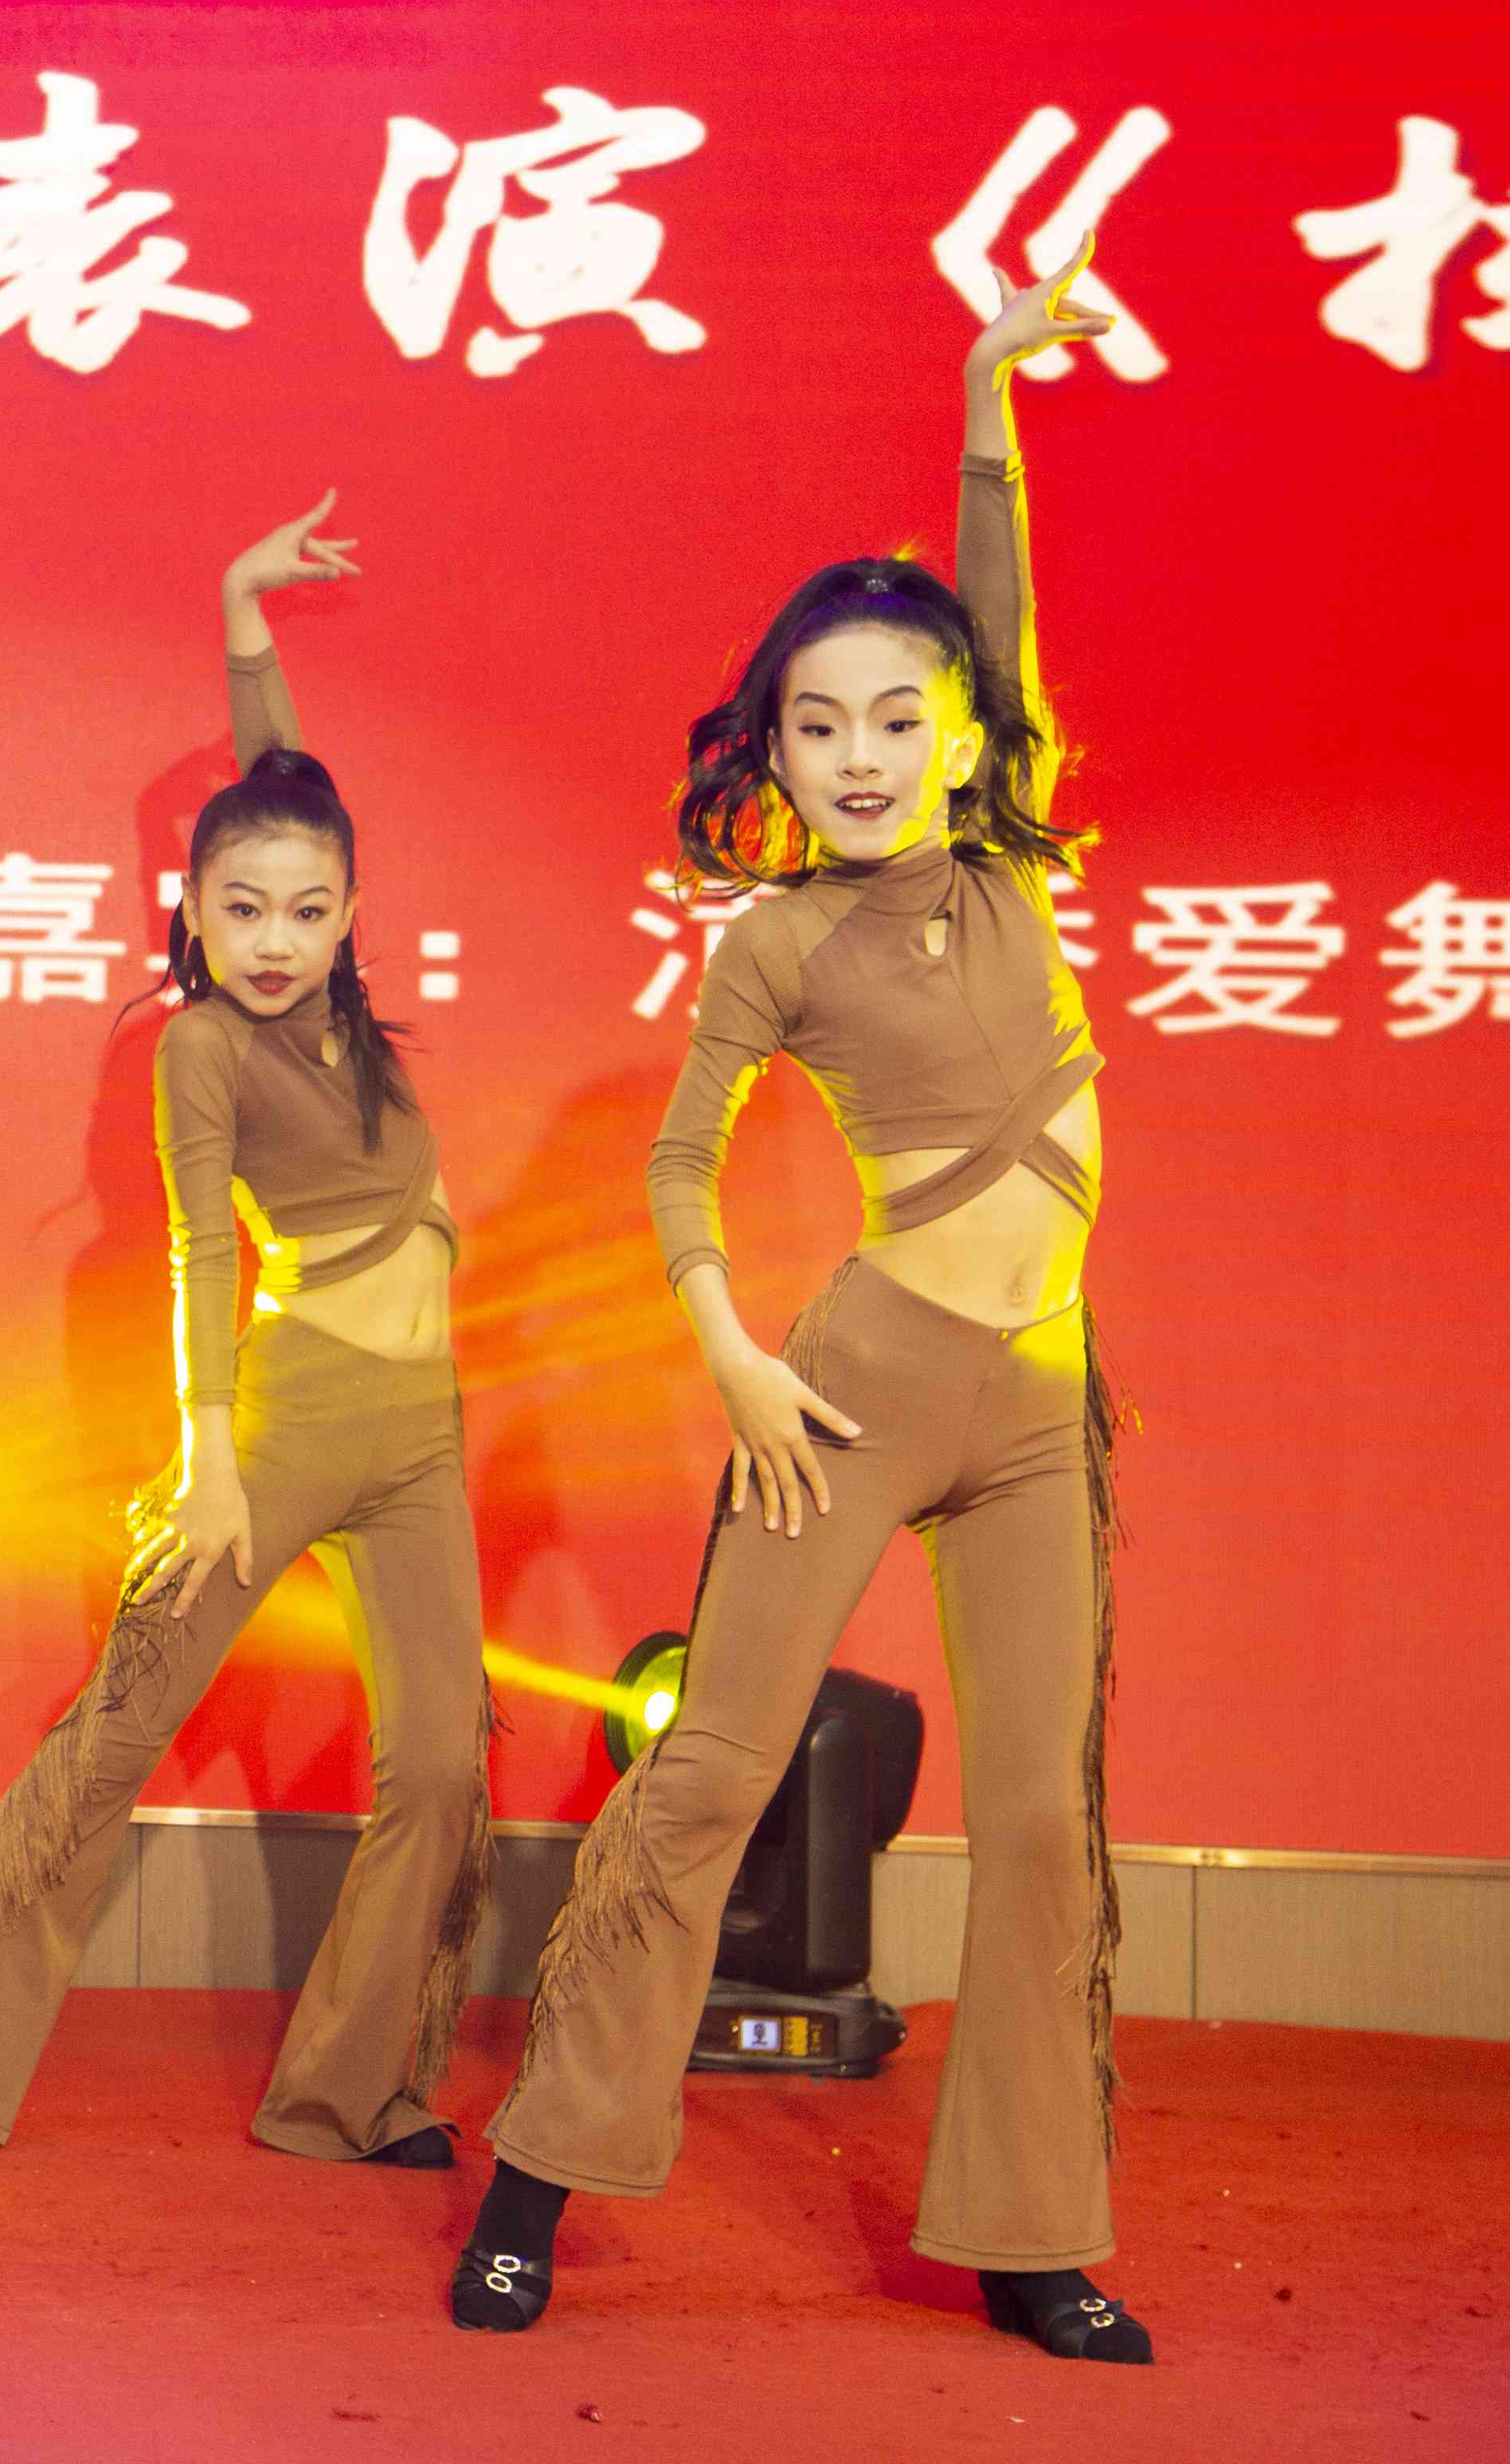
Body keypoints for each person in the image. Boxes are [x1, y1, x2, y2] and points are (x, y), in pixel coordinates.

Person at [454, 249, 1149, 2363]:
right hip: (848, 1393)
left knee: (1042, 1826)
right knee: (710, 1776)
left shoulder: (1010, 866)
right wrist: (737, 1357)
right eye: (817, 724)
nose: (858, 753)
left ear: (963, 738)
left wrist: (986, 385)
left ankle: (1033, 2233)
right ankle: (537, 2177)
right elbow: (678, 1168)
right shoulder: (774, 940)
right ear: (776, 745)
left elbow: (996, 594)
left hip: (1038, 1406)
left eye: (897, 719)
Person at [0, 490, 495, 2174]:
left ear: (348, 911)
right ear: (190, 908)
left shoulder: (337, 1002)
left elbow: (286, 794)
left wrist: (245, 613)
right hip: (278, 1417)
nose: (273, 939)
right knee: (118, 1728)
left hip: (421, 1432)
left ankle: (348, 2091)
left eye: (307, 911)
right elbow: (198, 1249)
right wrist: (210, 1462)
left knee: (443, 1767)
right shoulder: (203, 1046)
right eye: (238, 910)